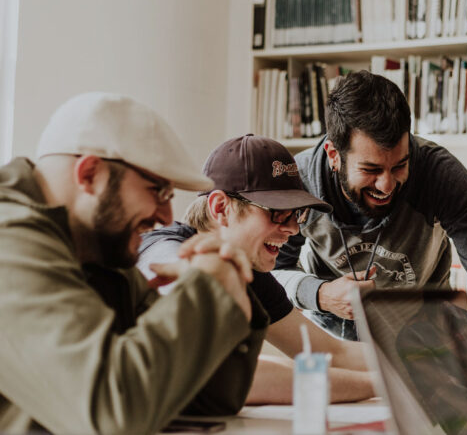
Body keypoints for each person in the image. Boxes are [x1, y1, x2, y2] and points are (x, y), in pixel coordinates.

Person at [0, 93, 264, 434]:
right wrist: (209, 287)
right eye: (158, 191)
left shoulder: (99, 250)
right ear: (90, 173)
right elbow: (114, 412)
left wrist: (227, 281)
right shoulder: (11, 241)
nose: (167, 216)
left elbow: (208, 397)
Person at [274, 70, 467, 374]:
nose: (387, 185)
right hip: (336, 352)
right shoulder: (298, 182)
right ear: (334, 155)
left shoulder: (439, 174)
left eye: (399, 165)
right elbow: (272, 274)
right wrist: (320, 294)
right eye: (371, 169)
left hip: (427, 345)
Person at [138, 134, 375, 404]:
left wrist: (417, 363)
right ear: (221, 208)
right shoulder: (163, 252)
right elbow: (227, 374)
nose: (293, 229)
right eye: (278, 213)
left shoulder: (250, 273)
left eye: (296, 215)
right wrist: (383, 386)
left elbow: (328, 352)